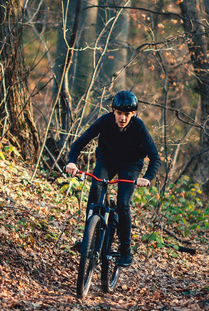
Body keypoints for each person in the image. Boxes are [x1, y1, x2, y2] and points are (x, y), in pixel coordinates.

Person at [64, 90, 161, 267]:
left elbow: (155, 157)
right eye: (119, 113)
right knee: (96, 189)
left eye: (127, 114)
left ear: (133, 114)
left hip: (131, 165)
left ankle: (125, 250)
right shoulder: (105, 121)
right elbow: (80, 142)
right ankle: (89, 239)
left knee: (123, 203)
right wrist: (72, 162)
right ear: (113, 111)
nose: (122, 118)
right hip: (107, 160)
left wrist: (147, 177)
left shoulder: (139, 127)